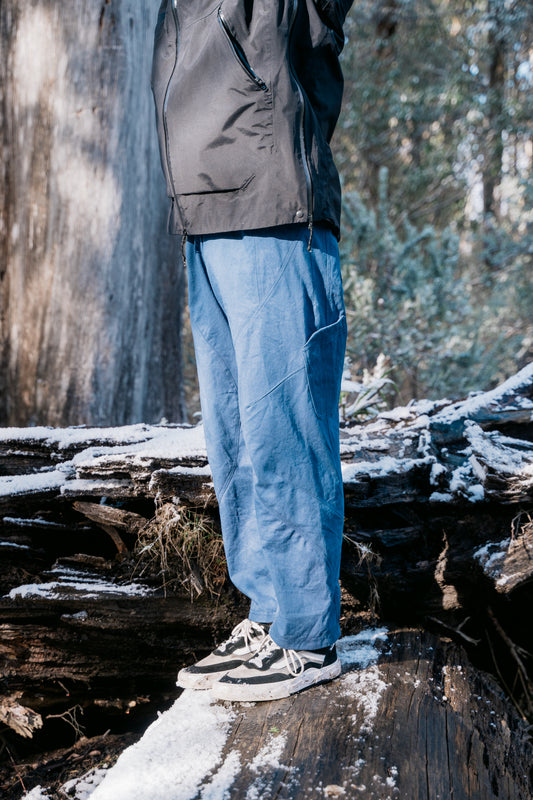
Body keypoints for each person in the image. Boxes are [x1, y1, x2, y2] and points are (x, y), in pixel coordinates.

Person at [151, 0, 353, 702]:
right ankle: (267, 614)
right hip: (203, 204)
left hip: (274, 198)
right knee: (236, 436)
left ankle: (305, 636)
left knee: (283, 429)